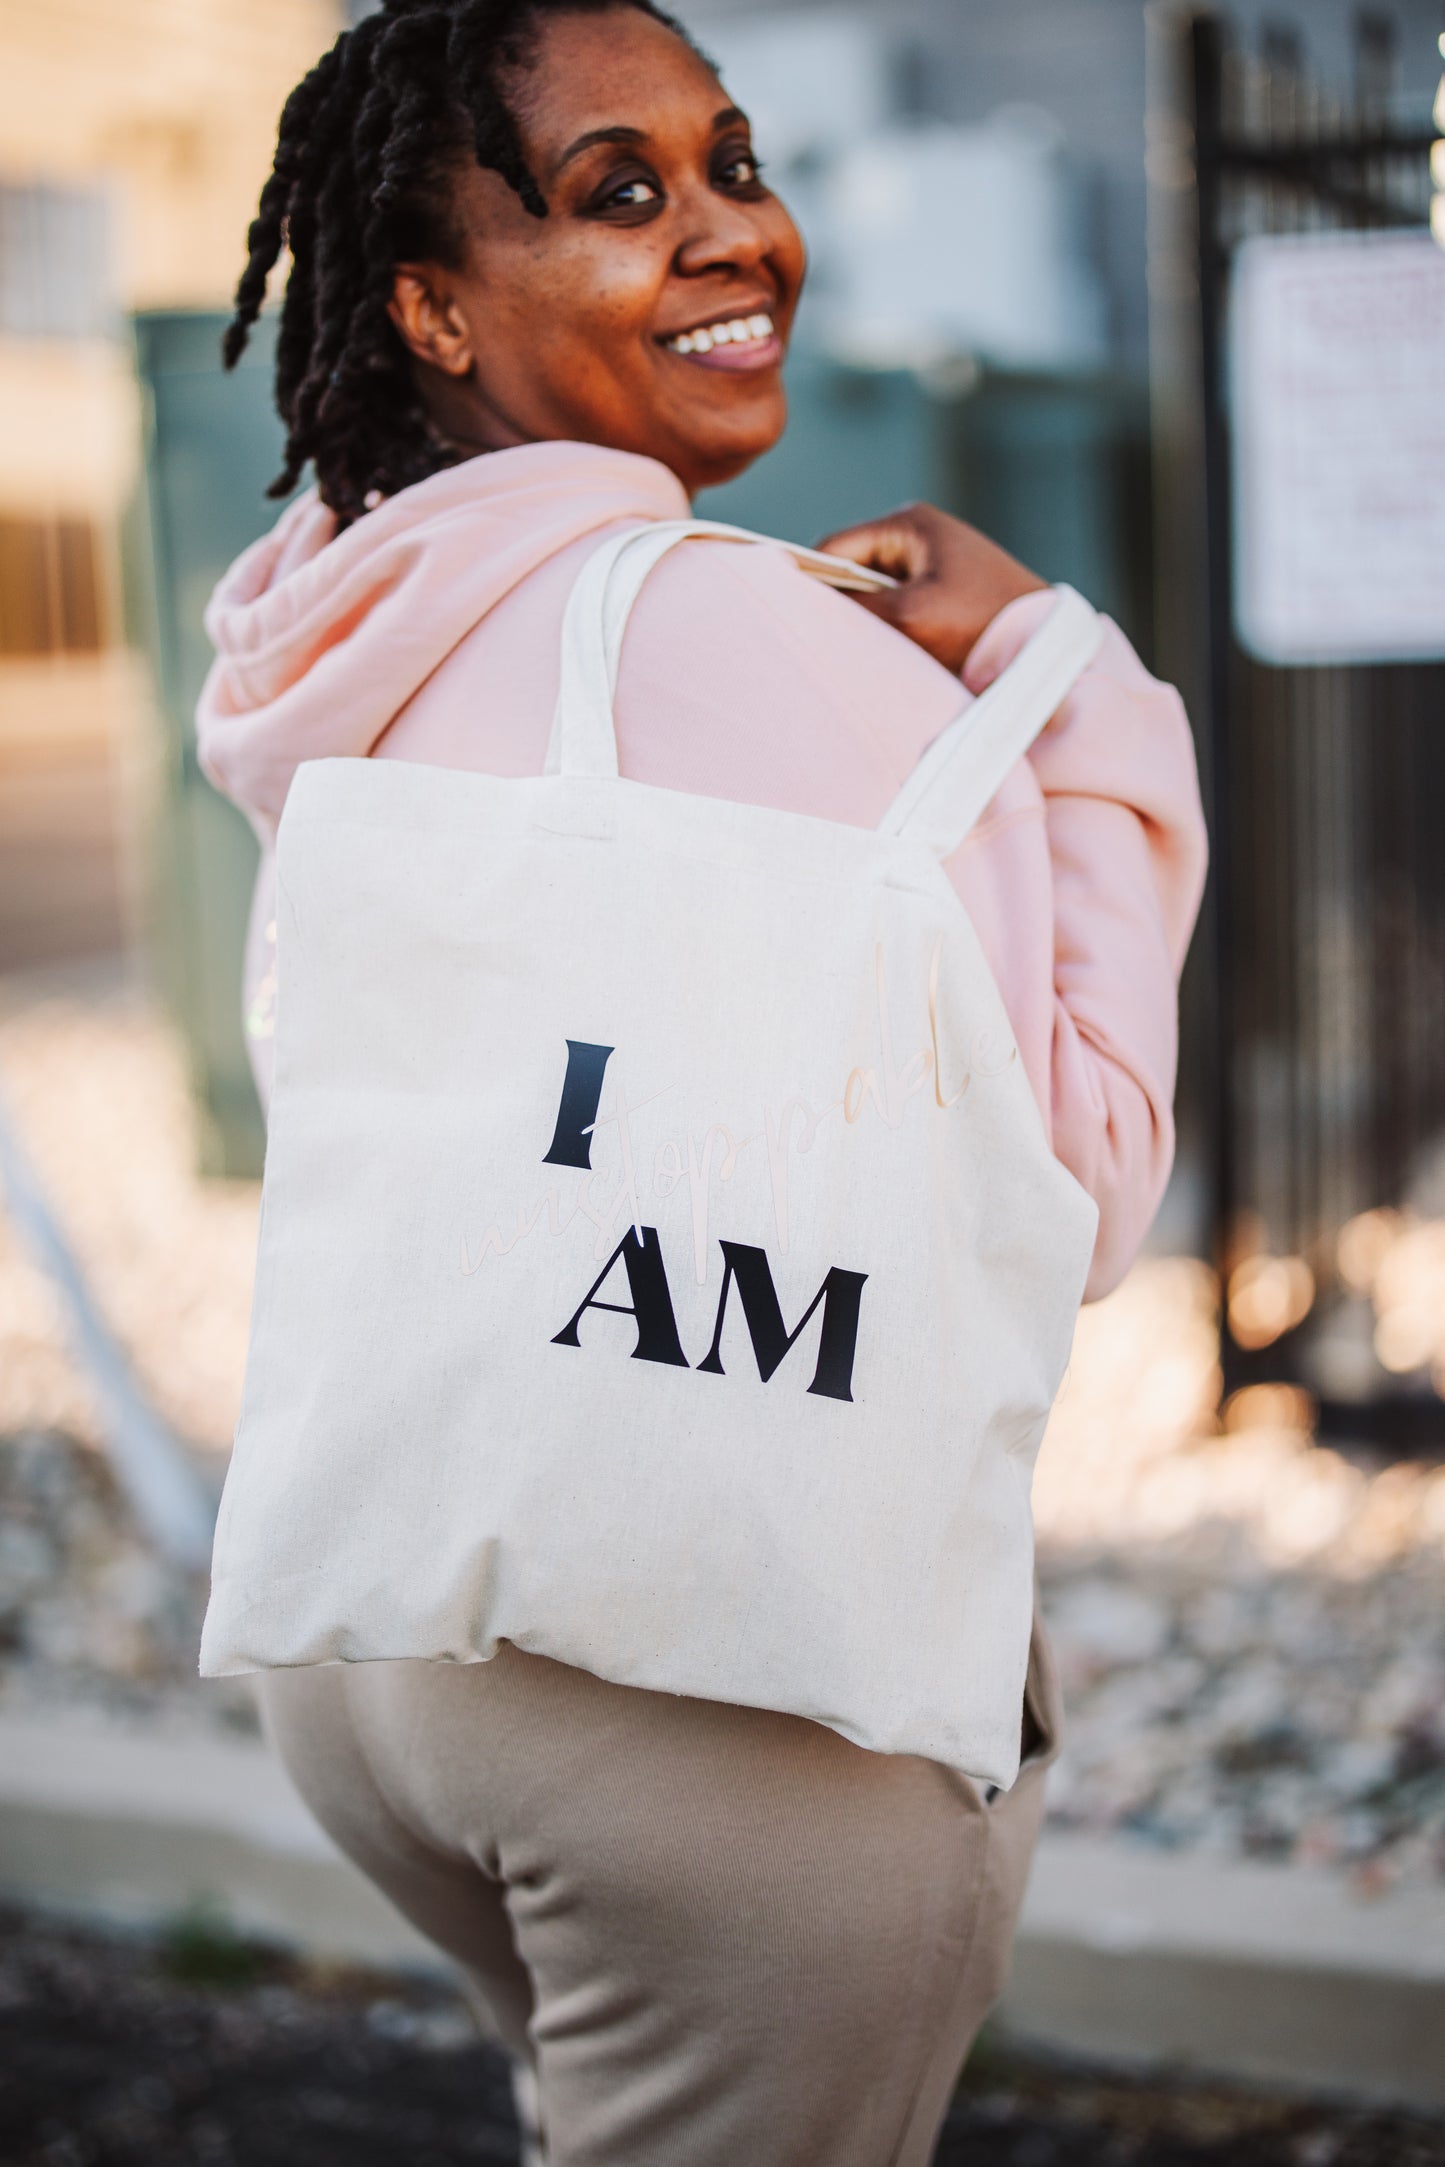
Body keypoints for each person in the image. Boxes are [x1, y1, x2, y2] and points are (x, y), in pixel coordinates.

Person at [197, 3, 1208, 2161]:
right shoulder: (760, 641)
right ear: (432, 300)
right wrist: (1080, 690)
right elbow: (1083, 1175)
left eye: (732, 163)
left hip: (382, 1629)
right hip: (726, 1706)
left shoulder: (332, 611)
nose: (735, 234)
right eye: (621, 195)